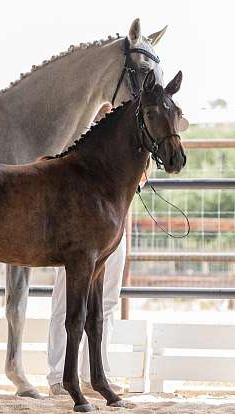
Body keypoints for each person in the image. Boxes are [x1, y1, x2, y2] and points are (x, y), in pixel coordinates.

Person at [47, 101, 149, 395]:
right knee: (66, 299)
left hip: (114, 227)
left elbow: (141, 178)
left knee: (107, 302)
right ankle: (57, 374)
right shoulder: (87, 126)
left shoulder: (135, 137)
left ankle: (96, 372)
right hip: (81, 228)